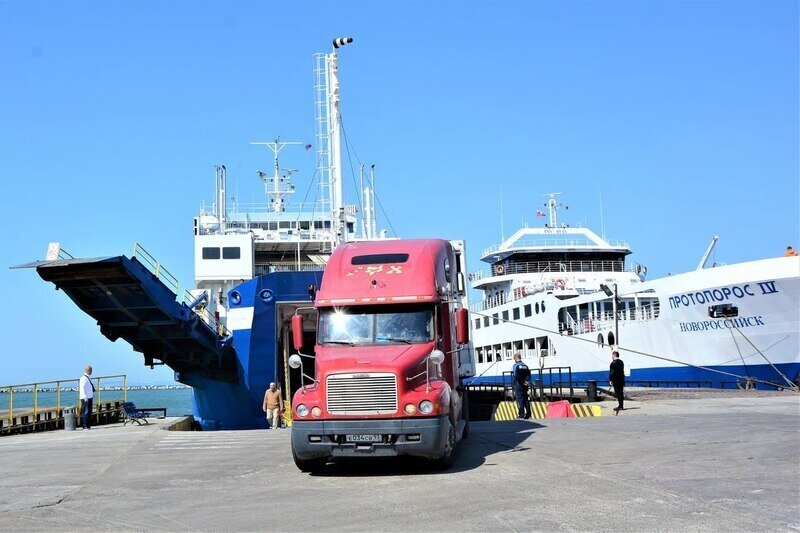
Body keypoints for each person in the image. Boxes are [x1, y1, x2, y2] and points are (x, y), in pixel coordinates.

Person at [512, 354, 532, 419]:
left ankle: (521, 415)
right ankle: (528, 414)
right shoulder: (525, 366)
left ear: (515, 358)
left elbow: (516, 376)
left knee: (519, 399)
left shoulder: (516, 365)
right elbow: (529, 375)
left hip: (518, 384)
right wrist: (526, 381)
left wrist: (522, 382)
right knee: (526, 399)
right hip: (525, 385)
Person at [79, 365, 95, 430]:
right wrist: (85, 397)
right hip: (86, 398)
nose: (92, 371)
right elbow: (82, 388)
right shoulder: (83, 378)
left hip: (89, 397)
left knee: (89, 412)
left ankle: (88, 425)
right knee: (85, 412)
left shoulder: (88, 377)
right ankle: (85, 426)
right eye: (91, 370)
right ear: (89, 370)